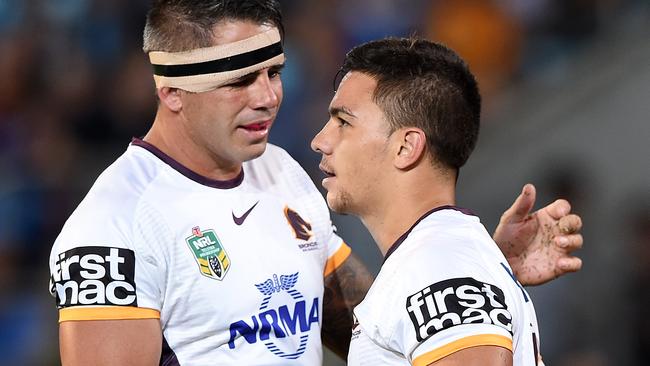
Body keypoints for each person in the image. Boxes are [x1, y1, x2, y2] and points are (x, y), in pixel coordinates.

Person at [48, 1, 582, 365]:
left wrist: (472, 276)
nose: (267, 97)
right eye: (239, 80)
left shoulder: (281, 172)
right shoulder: (113, 228)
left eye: (273, 72)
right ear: (172, 92)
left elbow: (370, 326)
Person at [311, 38, 578, 365]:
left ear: (406, 147)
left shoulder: (437, 265)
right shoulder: (443, 263)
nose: (320, 140)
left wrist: (454, 271)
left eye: (343, 122)